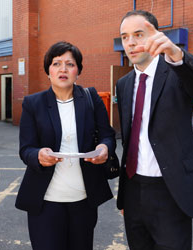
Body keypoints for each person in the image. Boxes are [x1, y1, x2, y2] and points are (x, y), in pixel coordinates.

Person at [116, 10, 193, 250]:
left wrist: (176, 54)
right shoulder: (123, 84)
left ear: (155, 36)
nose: (130, 43)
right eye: (124, 37)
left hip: (171, 190)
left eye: (138, 34)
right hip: (134, 189)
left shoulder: (175, 71)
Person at [15, 41, 116, 250]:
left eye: (70, 64)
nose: (63, 69)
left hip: (83, 199)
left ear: (78, 70)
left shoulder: (90, 99)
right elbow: (26, 149)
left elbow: (108, 136)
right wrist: (38, 155)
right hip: (46, 200)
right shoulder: (33, 103)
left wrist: (104, 149)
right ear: (48, 70)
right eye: (56, 63)